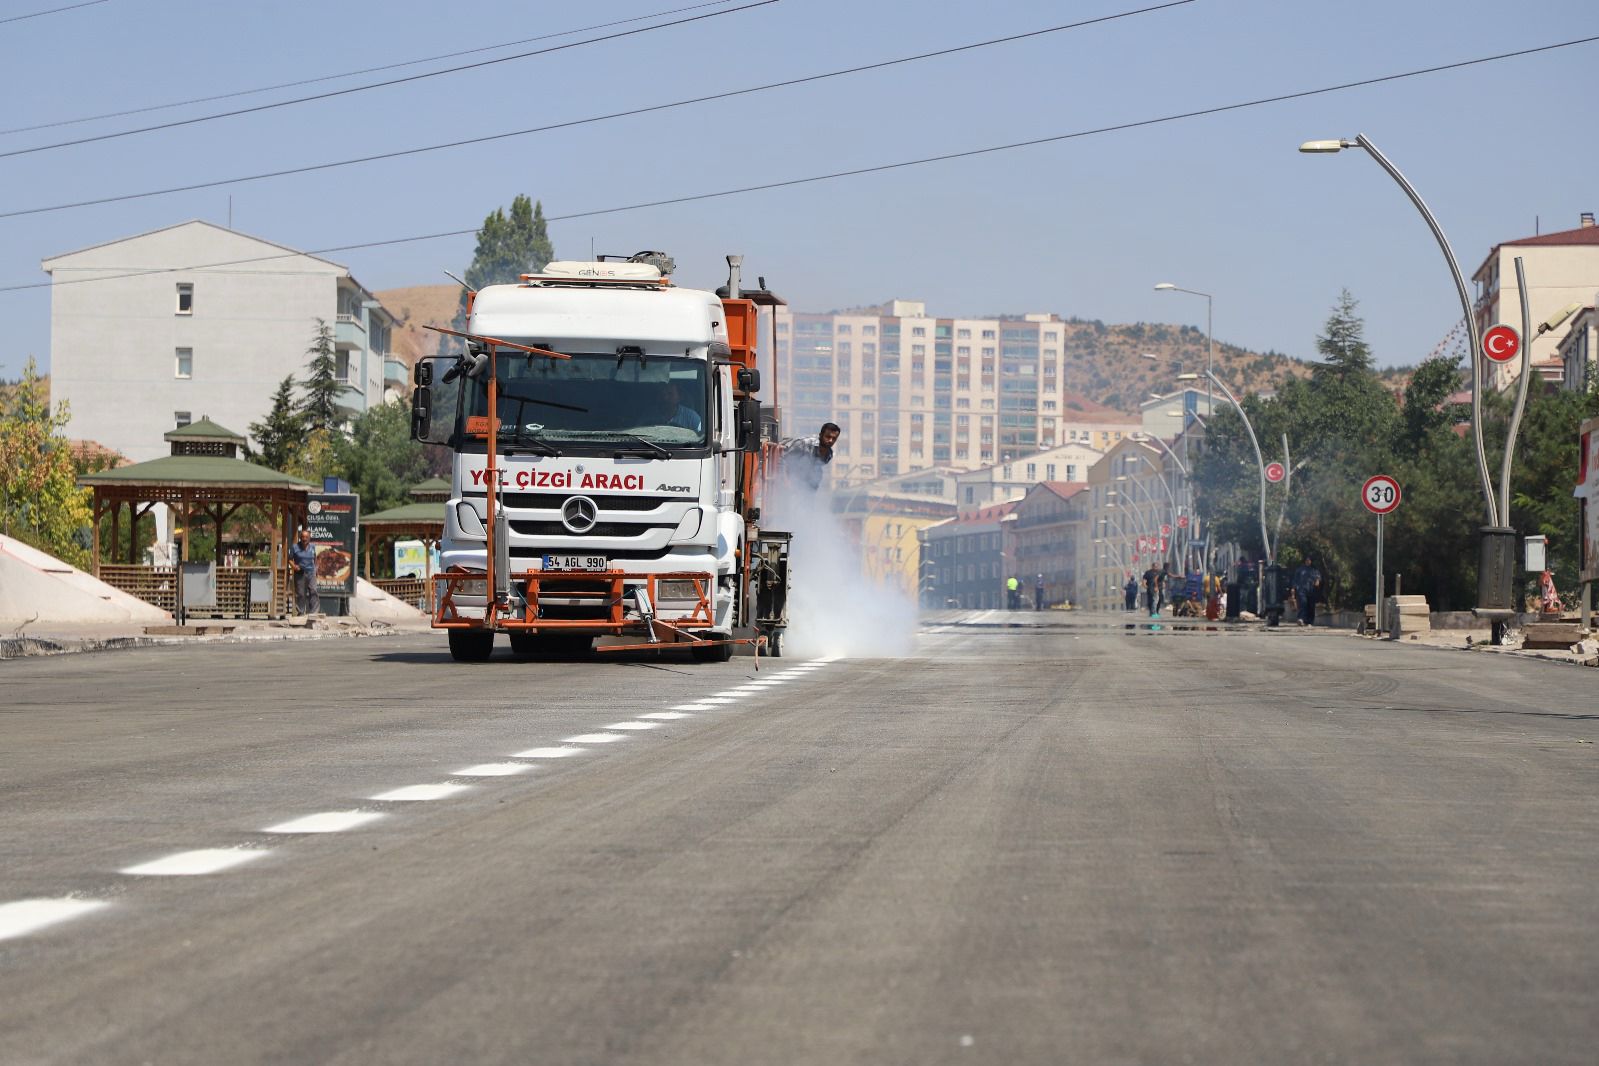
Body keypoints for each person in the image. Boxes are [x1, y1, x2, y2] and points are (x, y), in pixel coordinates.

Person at [780, 421, 841, 491]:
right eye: (828, 437)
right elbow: (783, 461)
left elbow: (816, 470)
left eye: (834, 438)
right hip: (787, 481)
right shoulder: (804, 443)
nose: (830, 440)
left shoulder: (829, 455)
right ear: (821, 435)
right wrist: (786, 483)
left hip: (802, 486)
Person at [288, 527, 320, 616]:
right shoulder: (295, 547)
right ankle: (301, 612)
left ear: (309, 538)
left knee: (313, 591)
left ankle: (314, 612)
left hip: (311, 572)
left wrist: (316, 569)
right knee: (301, 593)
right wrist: (294, 566)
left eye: (306, 537)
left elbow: (315, 558)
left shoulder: (313, 547)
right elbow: (290, 559)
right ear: (300, 537)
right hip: (300, 573)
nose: (304, 539)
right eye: (302, 537)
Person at [1292, 554, 1322, 626]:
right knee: (1303, 603)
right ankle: (1301, 618)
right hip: (1302, 590)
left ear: (1311, 561)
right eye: (1306, 560)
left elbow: (1318, 577)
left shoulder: (1314, 570)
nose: (1308, 561)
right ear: (1304, 561)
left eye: (1309, 560)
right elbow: (1295, 580)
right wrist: (1293, 588)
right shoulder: (1300, 570)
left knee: (1311, 606)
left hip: (1311, 591)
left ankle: (1309, 621)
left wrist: (1317, 580)